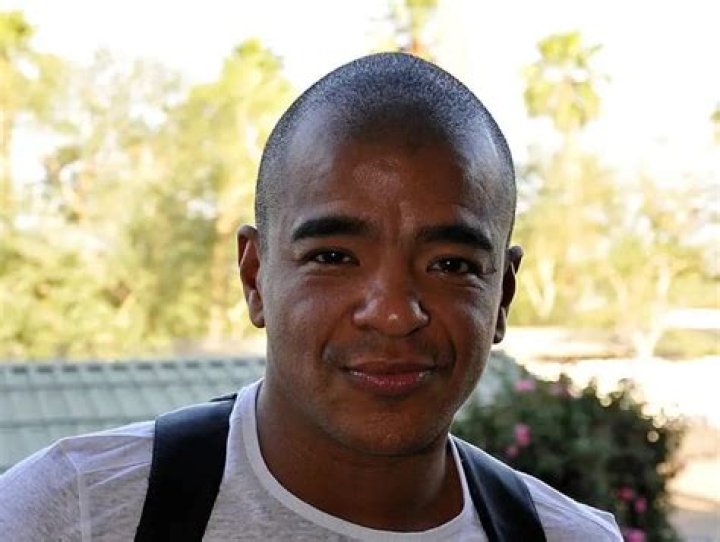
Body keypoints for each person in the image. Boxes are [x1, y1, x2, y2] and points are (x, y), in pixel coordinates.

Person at [0, 53, 622, 541]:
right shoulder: (74, 512)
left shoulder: (570, 536)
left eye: (450, 265)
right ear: (255, 276)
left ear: (502, 296)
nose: (393, 312)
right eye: (333, 257)